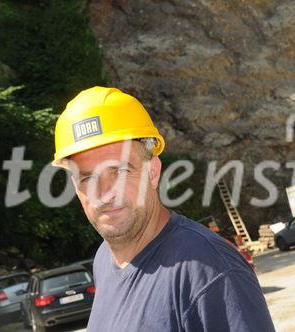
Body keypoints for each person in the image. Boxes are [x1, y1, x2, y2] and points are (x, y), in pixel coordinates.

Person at [52, 86, 275, 331]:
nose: (105, 193)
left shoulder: (210, 271)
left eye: (121, 171)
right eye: (87, 178)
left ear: (153, 172)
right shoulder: (104, 260)